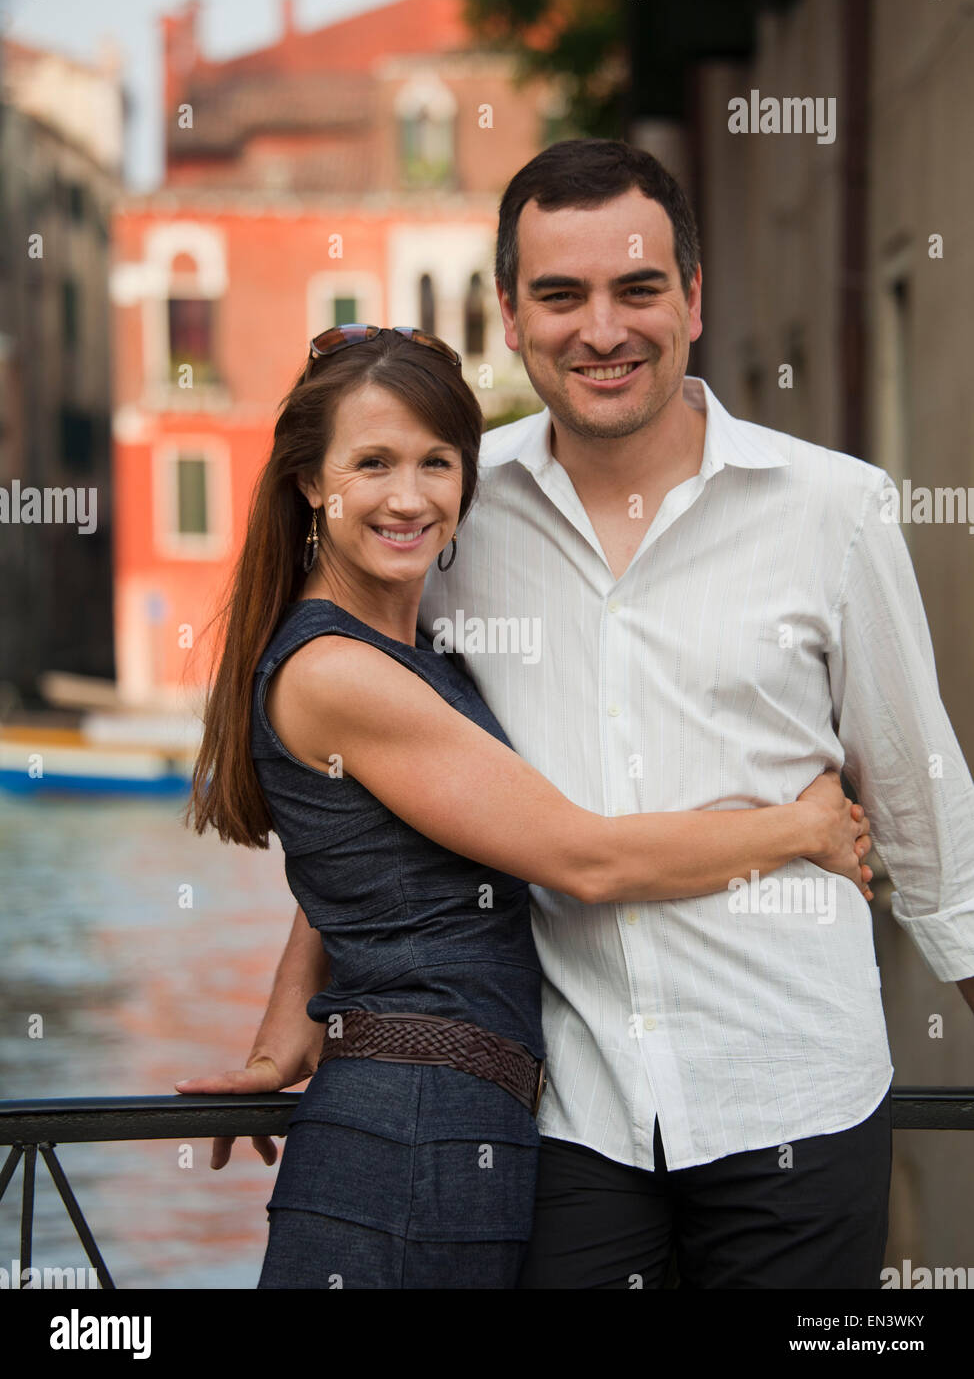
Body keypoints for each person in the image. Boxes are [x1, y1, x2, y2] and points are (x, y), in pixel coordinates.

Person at [213, 138, 974, 1289]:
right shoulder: (452, 516)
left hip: (796, 1103)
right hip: (567, 1125)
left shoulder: (835, 510)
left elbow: (925, 824)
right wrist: (287, 1028)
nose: (601, 329)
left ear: (694, 300)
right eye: (560, 295)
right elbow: (391, 810)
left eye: (637, 289)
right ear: (509, 316)